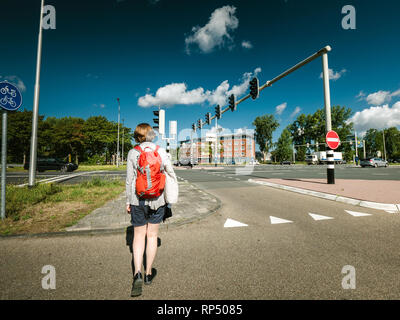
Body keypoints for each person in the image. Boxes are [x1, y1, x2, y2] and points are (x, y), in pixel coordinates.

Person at [126, 123, 179, 297]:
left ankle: (137, 273)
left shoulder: (133, 153)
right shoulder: (161, 151)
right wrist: (169, 200)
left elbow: (129, 180)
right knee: (152, 236)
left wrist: (128, 201)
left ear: (137, 136)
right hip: (157, 200)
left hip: (137, 200)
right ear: (151, 135)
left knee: (138, 236)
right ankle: (149, 273)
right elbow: (170, 174)